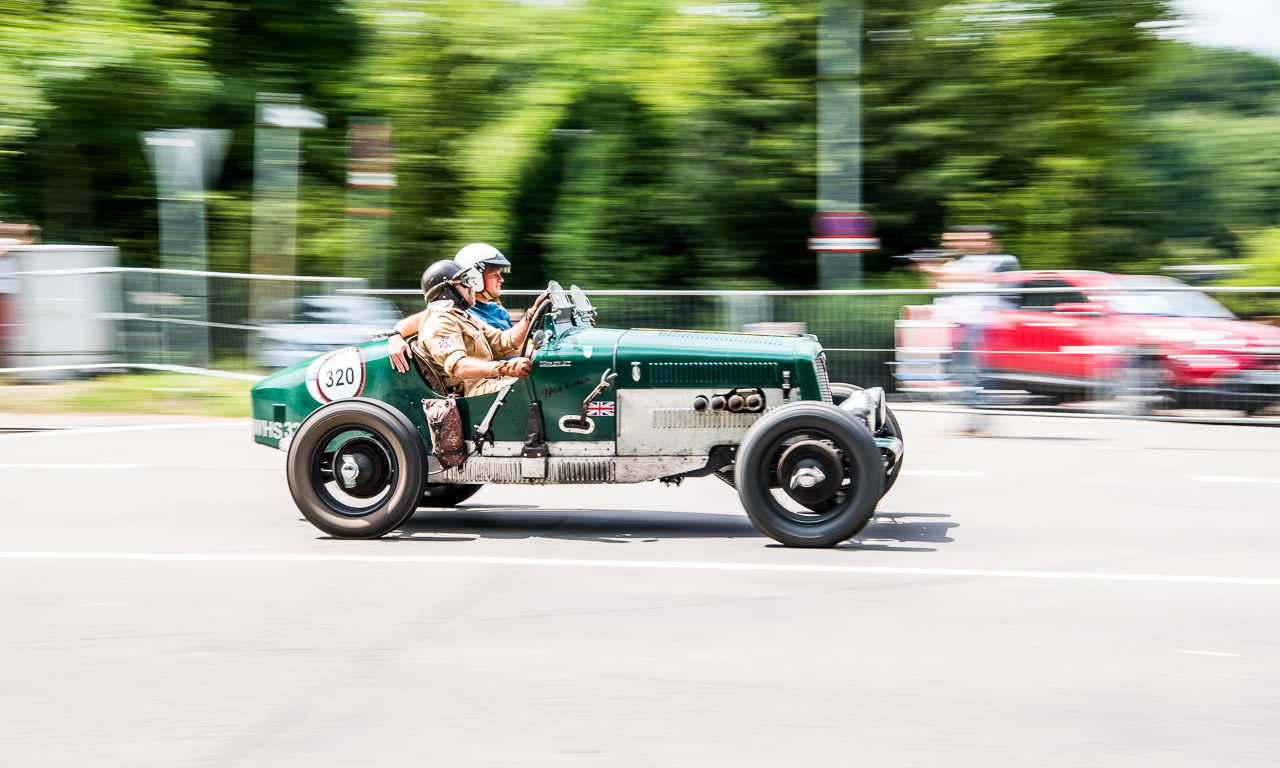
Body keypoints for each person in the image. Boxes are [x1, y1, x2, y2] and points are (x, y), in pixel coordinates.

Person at [386, 259, 548, 397]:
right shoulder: (440, 323)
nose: (472, 286)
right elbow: (459, 366)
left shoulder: (464, 317)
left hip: (491, 382)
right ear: (446, 292)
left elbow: (503, 341)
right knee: (539, 385)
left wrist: (532, 314)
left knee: (547, 375)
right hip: (475, 392)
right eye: (465, 282)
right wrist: (505, 368)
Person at [453, 243, 515, 331]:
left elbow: (517, 342)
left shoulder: (499, 311)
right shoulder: (465, 314)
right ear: (474, 277)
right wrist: (530, 315)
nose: (501, 279)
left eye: (500, 274)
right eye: (494, 275)